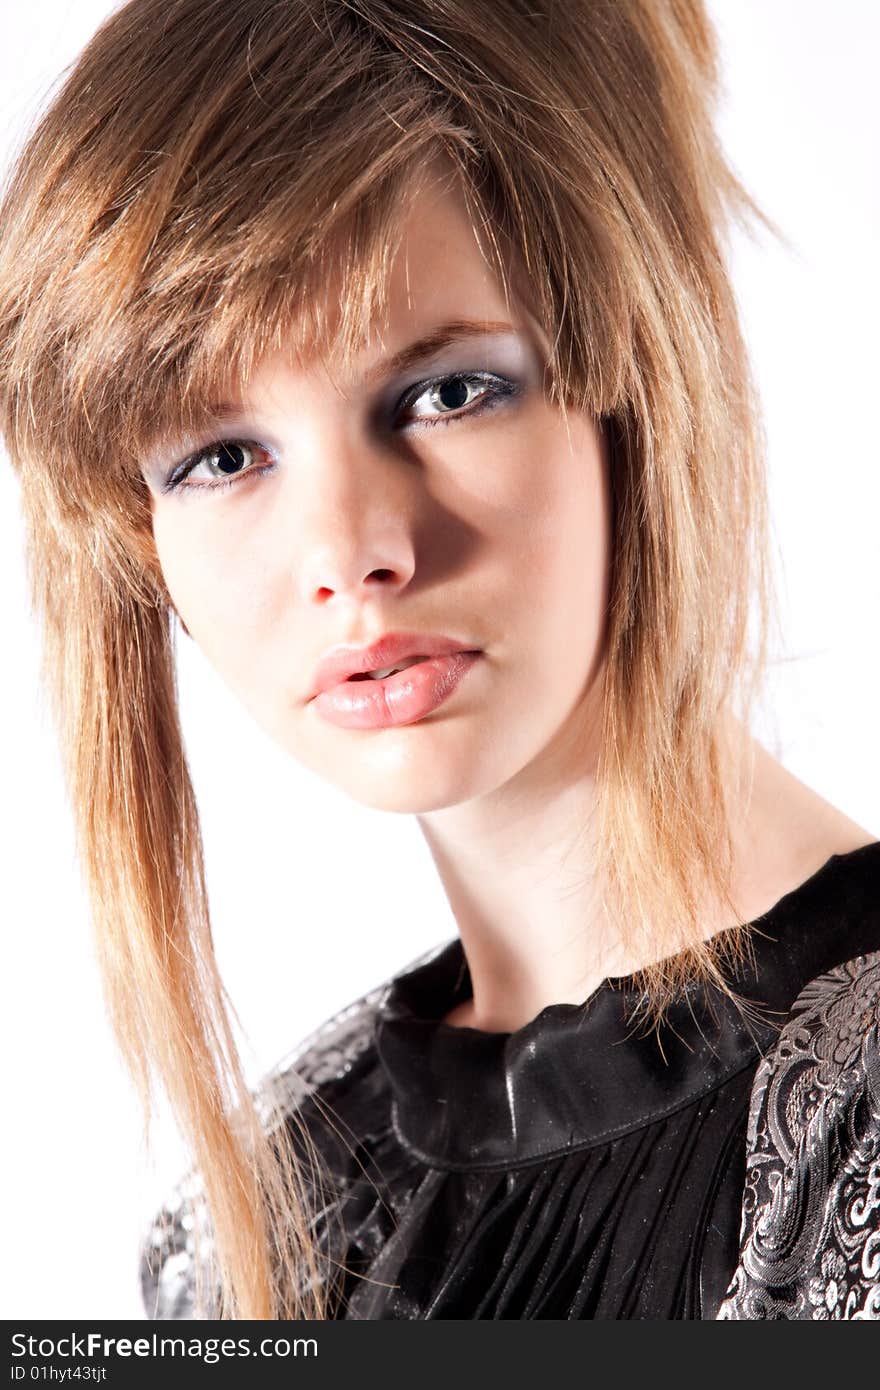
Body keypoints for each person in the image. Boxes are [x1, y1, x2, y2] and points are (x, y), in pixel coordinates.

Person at [0, 0, 877, 1322]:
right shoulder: (249, 1217)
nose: (353, 550)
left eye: (448, 391)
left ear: (632, 377)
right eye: (220, 456)